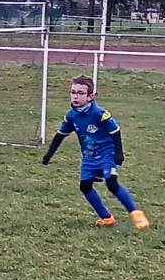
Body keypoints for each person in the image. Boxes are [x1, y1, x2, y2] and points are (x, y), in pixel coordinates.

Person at [42, 75, 150, 230]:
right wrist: (49, 155)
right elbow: (60, 135)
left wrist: (119, 153)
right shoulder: (71, 116)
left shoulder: (100, 114)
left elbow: (115, 132)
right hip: (89, 158)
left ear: (90, 96)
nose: (75, 96)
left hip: (107, 154)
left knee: (112, 184)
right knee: (85, 186)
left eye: (80, 93)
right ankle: (106, 218)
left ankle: (137, 215)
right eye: (73, 92)